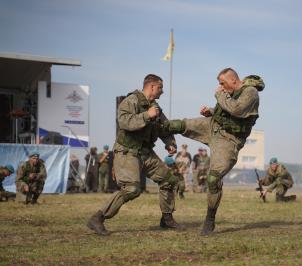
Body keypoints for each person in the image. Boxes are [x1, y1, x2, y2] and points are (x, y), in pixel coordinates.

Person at [164, 68, 264, 235]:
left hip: (229, 139)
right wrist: (210, 111)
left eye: (223, 83)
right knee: (176, 125)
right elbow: (226, 110)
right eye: (220, 85)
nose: (221, 88)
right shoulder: (229, 92)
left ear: (233, 81)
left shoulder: (251, 93)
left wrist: (219, 95)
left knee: (213, 178)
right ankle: (147, 131)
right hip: (212, 125)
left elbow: (237, 110)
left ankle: (210, 219)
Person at [87, 74, 182, 236]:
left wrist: (170, 142)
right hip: (127, 151)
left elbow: (163, 127)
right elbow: (124, 122)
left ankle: (167, 219)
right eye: (160, 88)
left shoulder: (155, 107)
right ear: (151, 87)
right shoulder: (131, 101)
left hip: (145, 152)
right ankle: (97, 218)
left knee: (168, 180)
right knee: (131, 189)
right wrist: (147, 115)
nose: (163, 91)